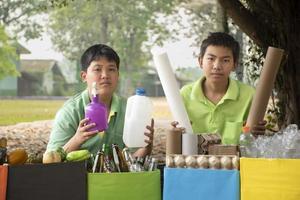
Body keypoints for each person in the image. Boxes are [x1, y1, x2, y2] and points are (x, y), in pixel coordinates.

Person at [47, 44, 154, 157]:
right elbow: (51, 160)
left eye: (111, 69)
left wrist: (146, 147)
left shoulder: (128, 109)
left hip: (117, 175)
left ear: (118, 75)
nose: (105, 75)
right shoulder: (70, 111)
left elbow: (132, 159)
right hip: (79, 174)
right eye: (97, 69)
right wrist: (77, 139)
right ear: (84, 76)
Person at [174, 32, 265, 145]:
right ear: (200, 61)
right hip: (193, 161)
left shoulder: (249, 95)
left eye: (225, 60)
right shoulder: (184, 95)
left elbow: (250, 139)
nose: (217, 66)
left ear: (235, 64)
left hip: (236, 161)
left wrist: (256, 133)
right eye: (211, 59)